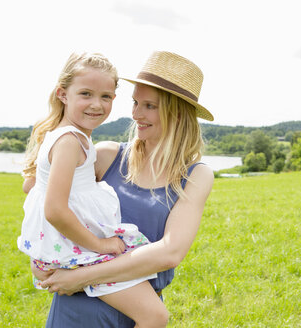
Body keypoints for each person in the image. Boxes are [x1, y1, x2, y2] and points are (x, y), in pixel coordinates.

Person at [37, 50, 215, 327]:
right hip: (75, 308)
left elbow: (170, 252)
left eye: (149, 106)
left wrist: (81, 277)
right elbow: (50, 202)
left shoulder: (195, 176)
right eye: (135, 103)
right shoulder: (107, 156)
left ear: (178, 114)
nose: (135, 114)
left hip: (135, 311)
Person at [18, 52, 169, 327]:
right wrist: (100, 244)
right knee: (155, 316)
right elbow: (54, 210)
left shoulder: (64, 135)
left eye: (106, 97)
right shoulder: (70, 142)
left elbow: (33, 186)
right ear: (63, 94)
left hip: (66, 246)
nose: (96, 105)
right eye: (86, 94)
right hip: (77, 251)